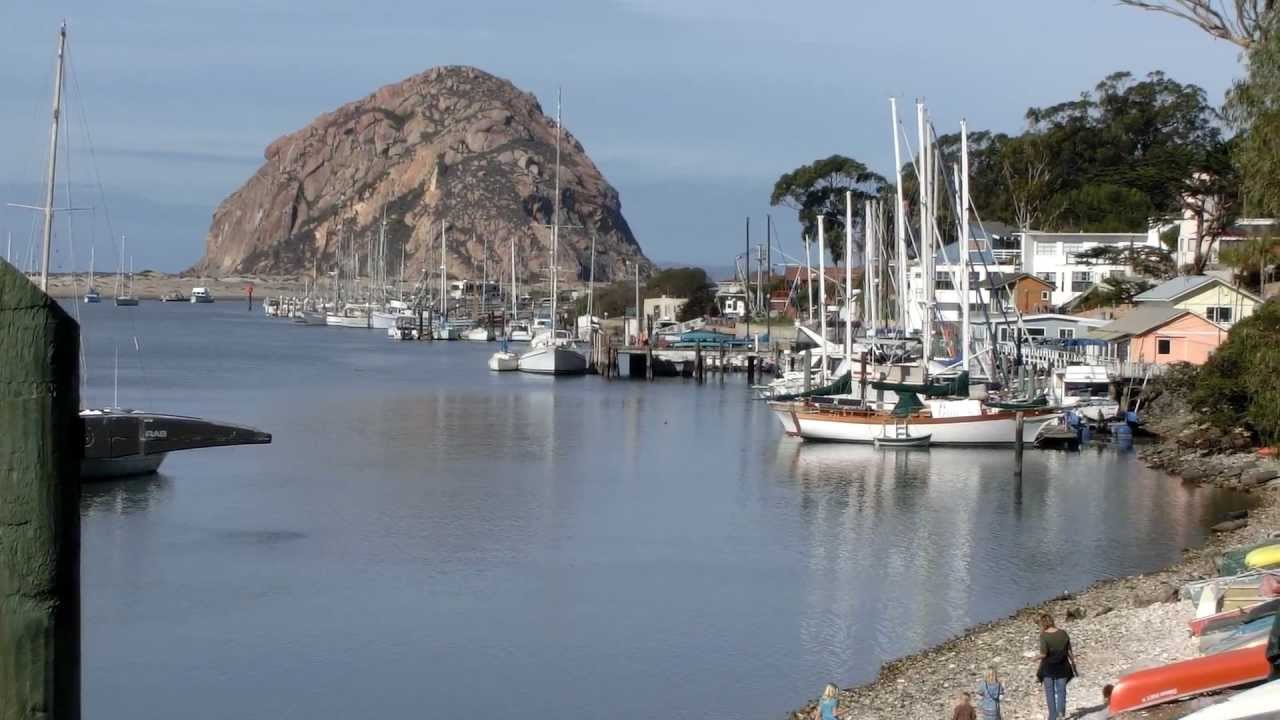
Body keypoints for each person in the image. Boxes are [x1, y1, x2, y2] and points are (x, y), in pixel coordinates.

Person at [1036, 613, 1075, 720]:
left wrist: (1035, 657)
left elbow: (1044, 654)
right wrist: (1073, 663)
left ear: (1043, 624)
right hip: (1063, 666)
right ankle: (1061, 715)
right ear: (1052, 621)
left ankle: (1053, 717)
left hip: (1048, 668)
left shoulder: (1044, 636)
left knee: (1050, 693)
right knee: (1061, 691)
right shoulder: (1063, 633)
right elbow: (1069, 651)